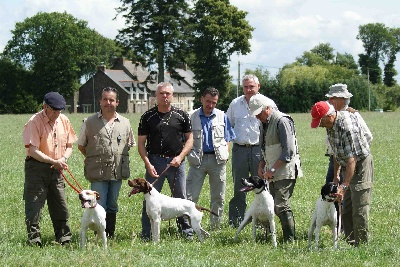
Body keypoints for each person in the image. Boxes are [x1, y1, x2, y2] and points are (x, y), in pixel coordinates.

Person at [311, 101, 373, 246]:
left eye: (320, 122)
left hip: (360, 165)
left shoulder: (346, 127)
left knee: (359, 208)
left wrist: (344, 187)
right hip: (346, 164)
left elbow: (353, 160)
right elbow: (335, 151)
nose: (320, 125)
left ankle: (362, 245)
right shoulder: (330, 125)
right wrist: (336, 175)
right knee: (345, 208)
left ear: (329, 116)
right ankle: (351, 242)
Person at [137, 82, 194, 240]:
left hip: (177, 163)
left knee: (181, 199)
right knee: (149, 198)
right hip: (155, 162)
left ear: (172, 95)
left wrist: (181, 157)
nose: (165, 96)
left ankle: (186, 232)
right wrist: (148, 163)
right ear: (156, 95)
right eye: (161, 93)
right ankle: (146, 234)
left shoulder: (182, 115)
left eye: (168, 93)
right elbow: (141, 143)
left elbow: (190, 140)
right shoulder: (147, 117)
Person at [78, 87, 136, 238]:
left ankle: (109, 234)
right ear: (100, 101)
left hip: (117, 171)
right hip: (97, 171)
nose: (108, 103)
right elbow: (81, 145)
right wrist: (93, 158)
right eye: (105, 99)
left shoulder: (125, 122)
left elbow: (129, 144)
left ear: (117, 102)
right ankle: (99, 235)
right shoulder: (89, 122)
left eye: (111, 100)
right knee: (98, 204)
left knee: (112, 204)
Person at [23, 92, 78, 247]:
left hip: (57, 167)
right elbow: (33, 150)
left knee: (60, 204)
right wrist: (53, 160)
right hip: (37, 167)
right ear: (45, 107)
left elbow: (69, 146)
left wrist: (63, 159)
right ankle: (34, 239)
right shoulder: (34, 121)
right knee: (34, 205)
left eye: (59, 111)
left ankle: (64, 238)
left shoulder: (64, 120)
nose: (56, 114)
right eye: (53, 111)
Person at [249, 94, 303, 242]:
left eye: (259, 112)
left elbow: (289, 151)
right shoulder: (263, 122)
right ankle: (270, 236)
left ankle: (290, 240)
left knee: (281, 205)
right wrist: (261, 164)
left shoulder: (282, 120)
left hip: (285, 170)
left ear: (267, 107)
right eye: (255, 114)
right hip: (271, 170)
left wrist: (272, 169)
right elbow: (264, 148)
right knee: (271, 204)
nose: (258, 116)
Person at [186, 87, 236, 230]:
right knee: (190, 196)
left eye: (214, 102)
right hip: (197, 161)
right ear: (201, 99)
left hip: (217, 161)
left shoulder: (222, 116)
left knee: (218, 197)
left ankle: (215, 226)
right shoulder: (191, 116)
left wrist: (226, 153)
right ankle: (190, 227)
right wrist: (189, 155)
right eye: (208, 101)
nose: (210, 105)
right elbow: (185, 139)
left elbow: (228, 138)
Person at [226, 74, 262, 227]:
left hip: (258, 150)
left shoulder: (266, 103)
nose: (248, 90)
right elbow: (228, 126)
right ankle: (236, 221)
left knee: (261, 186)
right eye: (246, 87)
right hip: (239, 150)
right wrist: (226, 148)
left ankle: (260, 221)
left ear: (258, 87)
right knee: (239, 186)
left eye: (251, 86)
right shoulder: (235, 104)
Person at [324, 83, 373, 185]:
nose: (329, 101)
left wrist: (354, 152)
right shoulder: (331, 114)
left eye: (333, 98)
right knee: (331, 187)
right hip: (336, 158)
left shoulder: (353, 114)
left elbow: (368, 136)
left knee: (344, 188)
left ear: (342, 99)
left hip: (350, 159)